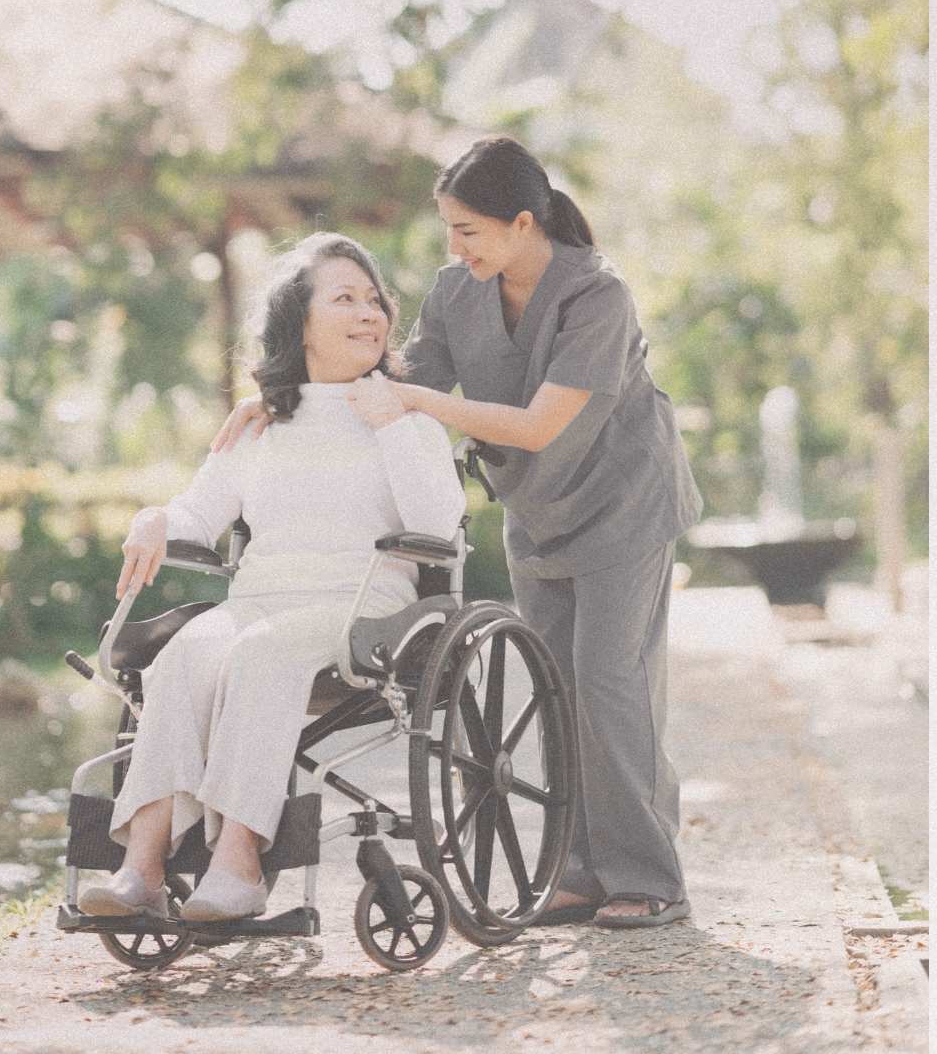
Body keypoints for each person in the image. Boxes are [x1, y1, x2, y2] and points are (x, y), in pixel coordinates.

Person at [215, 138, 702, 931]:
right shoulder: (457, 290)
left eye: (467, 230)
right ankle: (580, 870)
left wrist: (422, 408)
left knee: (611, 682)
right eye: (448, 229)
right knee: (558, 693)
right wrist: (283, 398)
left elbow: (540, 424)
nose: (454, 247)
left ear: (519, 223)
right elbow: (404, 382)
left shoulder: (596, 297)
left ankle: (649, 875)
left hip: (624, 507)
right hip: (537, 513)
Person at [78, 233, 465, 925]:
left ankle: (240, 863)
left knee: (260, 653)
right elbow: (198, 512)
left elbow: (438, 525)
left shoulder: (409, 415)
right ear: (299, 321)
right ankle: (142, 868)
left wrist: (392, 423)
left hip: (364, 605)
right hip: (258, 600)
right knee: (183, 655)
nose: (369, 313)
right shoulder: (262, 423)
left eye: (374, 300)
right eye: (344, 298)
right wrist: (152, 518)